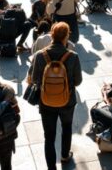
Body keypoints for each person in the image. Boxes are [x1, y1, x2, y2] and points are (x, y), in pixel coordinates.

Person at [28, 22, 82, 169]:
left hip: (46, 101)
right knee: (66, 127)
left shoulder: (40, 55)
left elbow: (33, 79)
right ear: (66, 36)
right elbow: (78, 81)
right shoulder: (73, 56)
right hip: (67, 100)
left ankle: (51, 167)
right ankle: (65, 156)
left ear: (52, 35)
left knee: (49, 136)